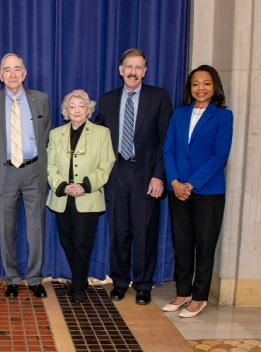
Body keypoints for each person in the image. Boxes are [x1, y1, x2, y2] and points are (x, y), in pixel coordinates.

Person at [95, 48, 173, 305]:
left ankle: (143, 284)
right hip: (116, 174)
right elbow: (98, 139)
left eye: (139, 67)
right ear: (121, 70)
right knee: (118, 231)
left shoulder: (159, 97)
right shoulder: (107, 99)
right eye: (129, 66)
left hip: (146, 174)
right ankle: (119, 281)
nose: (133, 72)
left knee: (145, 231)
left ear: (145, 71)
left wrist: (159, 175)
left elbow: (166, 141)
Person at [162, 65, 233, 318]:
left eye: (206, 83)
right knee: (182, 243)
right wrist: (175, 182)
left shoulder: (223, 116)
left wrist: (190, 184)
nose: (200, 88)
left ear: (215, 88)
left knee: (204, 244)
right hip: (177, 189)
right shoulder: (179, 114)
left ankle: (199, 297)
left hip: (208, 191)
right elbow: (168, 150)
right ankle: (182, 292)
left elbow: (219, 156)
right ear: (189, 88)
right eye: (195, 84)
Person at [0, 53, 52, 299]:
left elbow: (47, 138)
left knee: (36, 229)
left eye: (17, 69)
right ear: (0, 75)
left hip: (34, 171)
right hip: (5, 173)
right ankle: (11, 278)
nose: (12, 74)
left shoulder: (41, 100)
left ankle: (34, 278)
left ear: (24, 73)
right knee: (6, 230)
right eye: (7, 70)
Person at [46, 90, 115, 304]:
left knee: (81, 244)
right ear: (66, 110)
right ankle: (79, 281)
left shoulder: (102, 133)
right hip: (62, 198)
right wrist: (63, 186)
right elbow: (50, 166)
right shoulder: (56, 134)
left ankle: (78, 286)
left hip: (88, 198)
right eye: (72, 106)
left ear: (89, 109)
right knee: (67, 242)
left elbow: (106, 165)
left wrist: (85, 186)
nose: (76, 110)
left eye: (81, 106)